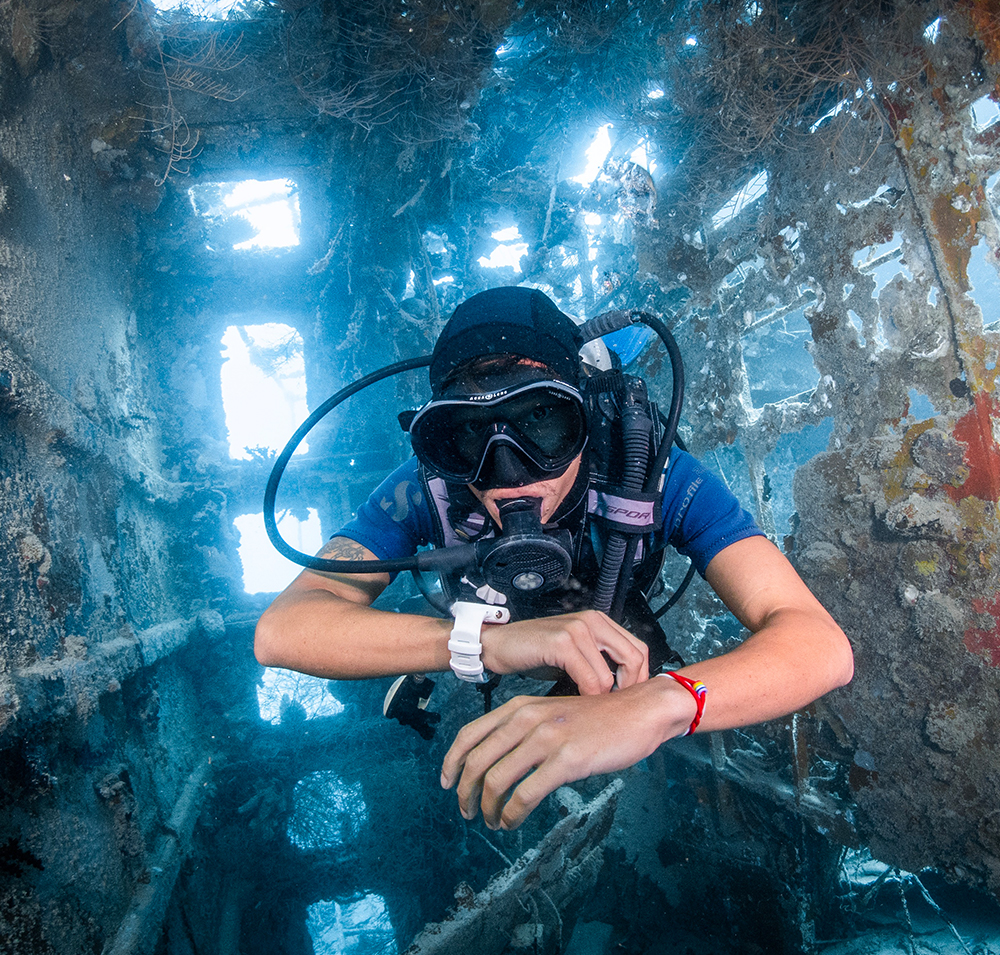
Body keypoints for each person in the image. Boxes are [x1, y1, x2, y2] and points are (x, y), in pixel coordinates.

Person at [254, 286, 853, 832]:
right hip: (481, 615)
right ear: (438, 442)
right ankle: (428, 664)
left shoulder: (654, 474)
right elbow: (283, 631)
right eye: (467, 434)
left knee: (637, 656)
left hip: (606, 609)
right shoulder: (423, 489)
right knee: (452, 617)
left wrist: (661, 706)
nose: (508, 474)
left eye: (542, 421)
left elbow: (819, 644)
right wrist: (478, 645)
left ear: (587, 417)